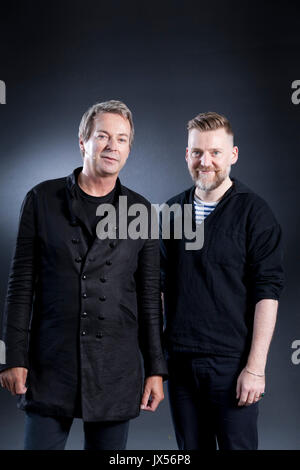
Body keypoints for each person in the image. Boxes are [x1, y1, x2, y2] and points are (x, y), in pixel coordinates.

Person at [0, 100, 167, 450]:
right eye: (103, 136)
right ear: (82, 141)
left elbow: (149, 298)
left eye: (122, 139)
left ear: (129, 149)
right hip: (51, 363)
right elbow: (19, 287)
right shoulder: (41, 199)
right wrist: (12, 357)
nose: (112, 146)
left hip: (115, 368)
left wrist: (155, 369)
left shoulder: (142, 212)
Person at [160, 112, 284, 450]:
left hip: (232, 365)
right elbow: (157, 288)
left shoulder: (255, 214)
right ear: (187, 155)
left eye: (215, 152)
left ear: (233, 155)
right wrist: (157, 361)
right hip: (181, 364)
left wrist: (255, 369)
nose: (206, 162)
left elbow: (266, 293)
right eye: (197, 152)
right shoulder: (172, 212)